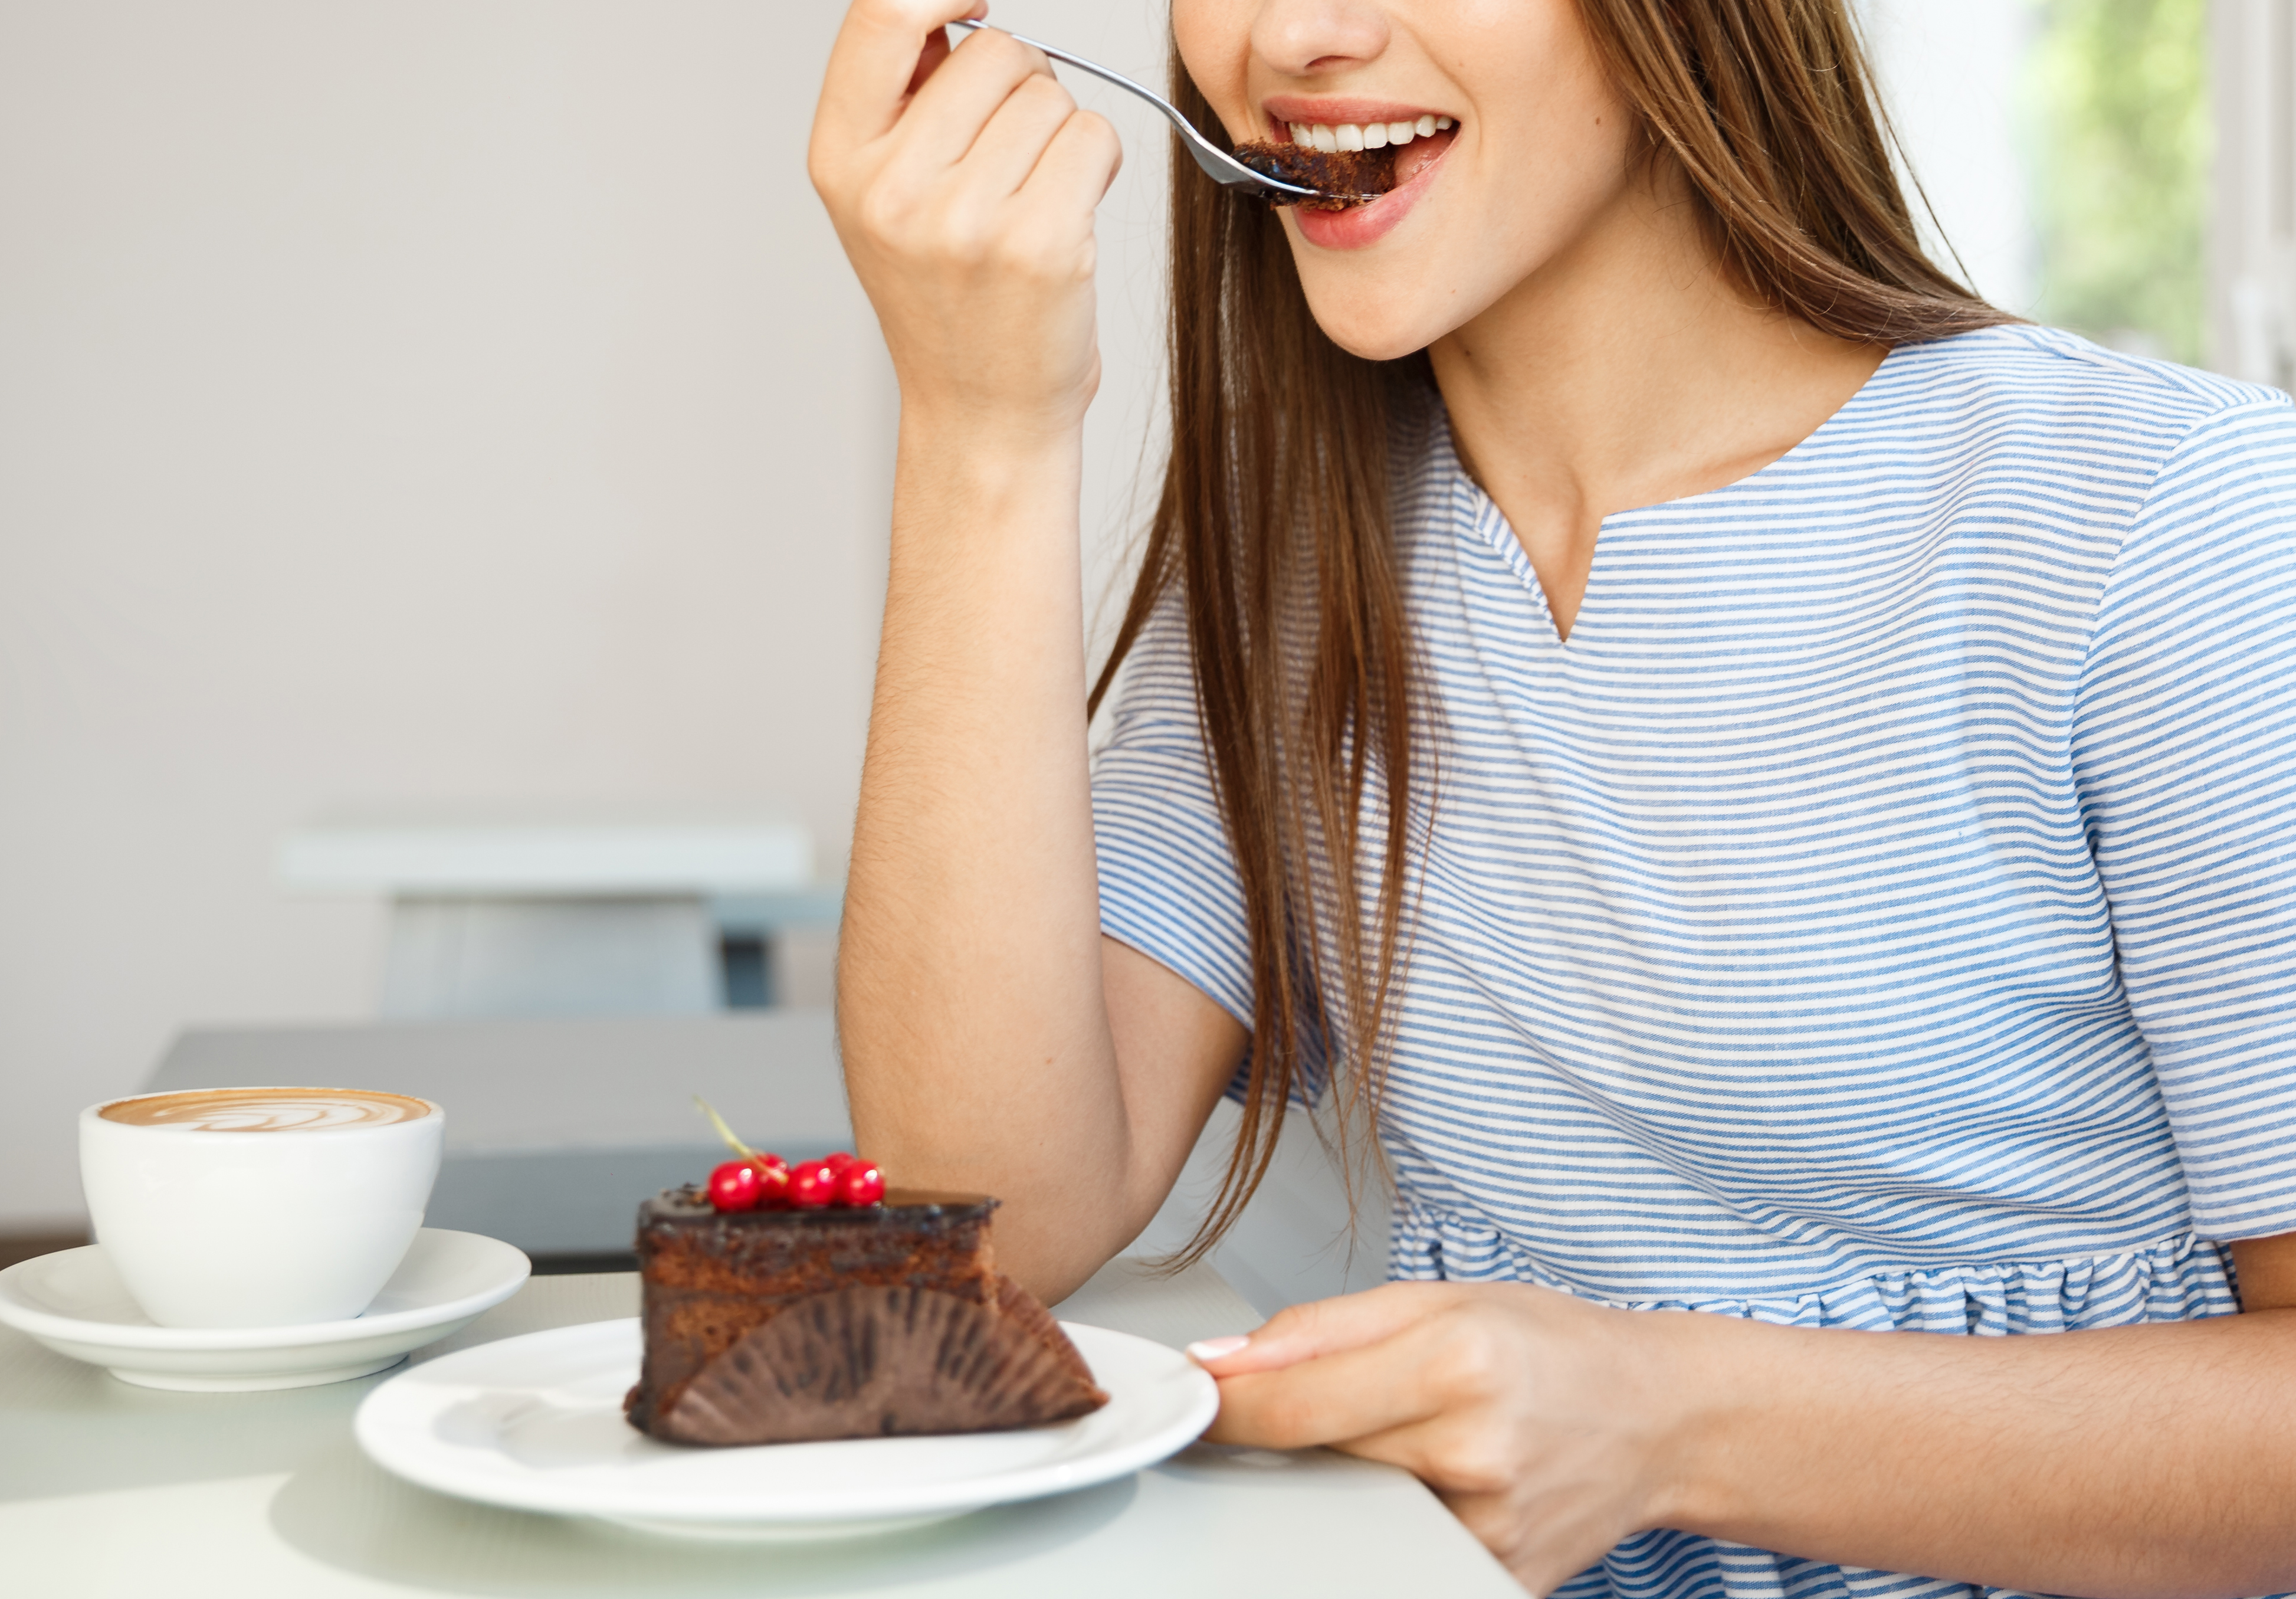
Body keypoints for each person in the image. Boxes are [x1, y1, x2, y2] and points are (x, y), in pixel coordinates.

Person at [806, 0, 2296, 1592]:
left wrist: (1664, 1420)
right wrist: (982, 430)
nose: (1295, 37)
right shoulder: (1304, 561)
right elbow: (994, 1222)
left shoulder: (2170, 526)